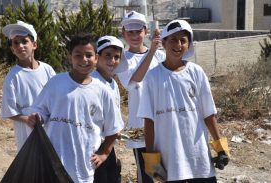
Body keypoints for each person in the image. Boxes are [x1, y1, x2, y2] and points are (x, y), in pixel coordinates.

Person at [137, 19, 230, 182]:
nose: (178, 44)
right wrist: (151, 158)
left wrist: (221, 148)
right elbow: (149, 121)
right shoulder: (152, 77)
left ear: (189, 45)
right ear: (164, 43)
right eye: (173, 39)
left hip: (199, 159)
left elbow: (209, 114)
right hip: (170, 160)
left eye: (183, 40)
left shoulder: (196, 72)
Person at [28, 33, 124, 183]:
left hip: (83, 167)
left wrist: (104, 153)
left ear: (96, 58)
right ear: (69, 57)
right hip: (53, 161)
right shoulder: (56, 83)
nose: (84, 60)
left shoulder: (102, 91)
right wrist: (36, 118)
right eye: (78, 55)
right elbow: (40, 111)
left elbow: (113, 129)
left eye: (88, 55)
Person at [116, 10, 166, 183]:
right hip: (139, 125)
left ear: (145, 31)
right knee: (146, 173)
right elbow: (132, 81)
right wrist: (151, 51)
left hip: (163, 121)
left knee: (168, 169)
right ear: (123, 33)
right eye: (130, 32)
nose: (135, 35)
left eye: (138, 31)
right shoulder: (122, 60)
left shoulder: (161, 56)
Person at [0, 20, 56, 152]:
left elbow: (57, 98)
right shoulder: (12, 77)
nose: (20, 46)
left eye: (24, 41)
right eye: (16, 43)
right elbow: (9, 111)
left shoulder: (47, 70)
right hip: (26, 135)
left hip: (50, 130)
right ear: (12, 50)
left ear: (34, 44)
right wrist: (28, 120)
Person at [91, 35, 128, 183]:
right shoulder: (92, 82)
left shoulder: (112, 83)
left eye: (116, 57)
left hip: (108, 144)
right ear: (97, 57)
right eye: (107, 55)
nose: (112, 61)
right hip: (95, 146)